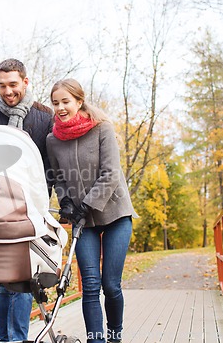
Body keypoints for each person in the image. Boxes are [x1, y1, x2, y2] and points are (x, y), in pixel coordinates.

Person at [46, 78, 138, 343]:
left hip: (115, 215)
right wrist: (65, 202)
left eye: (66, 101)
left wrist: (86, 204)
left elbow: (110, 174)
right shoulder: (53, 140)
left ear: (78, 101)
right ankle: (96, 340)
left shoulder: (102, 129)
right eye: (56, 103)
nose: (61, 108)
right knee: (90, 285)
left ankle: (115, 335)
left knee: (110, 285)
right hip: (81, 221)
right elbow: (58, 177)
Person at [0, 58, 54, 342]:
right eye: (2, 85)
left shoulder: (44, 117)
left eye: (13, 85)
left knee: (23, 274)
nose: (7, 91)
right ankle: (6, 337)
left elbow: (52, 163)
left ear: (25, 82)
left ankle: (18, 338)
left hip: (31, 206)